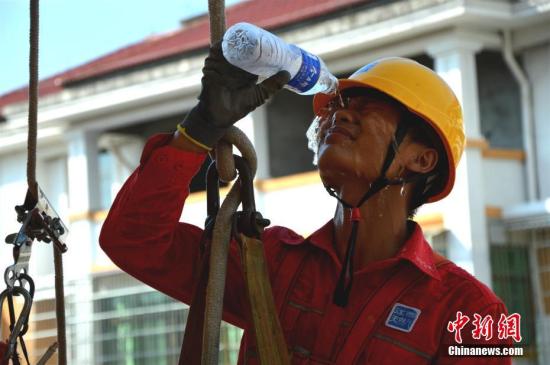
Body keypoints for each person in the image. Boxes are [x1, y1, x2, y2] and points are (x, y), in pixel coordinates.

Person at [99, 43, 513, 364]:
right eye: (339, 107)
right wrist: (198, 129)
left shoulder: (473, 313)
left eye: (369, 110)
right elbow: (133, 241)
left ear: (422, 159)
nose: (341, 117)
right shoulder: (270, 262)